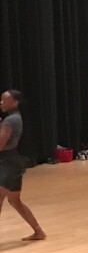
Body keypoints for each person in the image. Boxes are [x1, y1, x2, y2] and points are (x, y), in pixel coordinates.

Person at [0, 90, 46, 242]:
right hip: (15, 163)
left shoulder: (9, 121)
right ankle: (38, 232)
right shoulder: (16, 118)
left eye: (4, 100)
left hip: (9, 163)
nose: (1, 103)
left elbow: (1, 144)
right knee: (15, 201)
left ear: (15, 102)